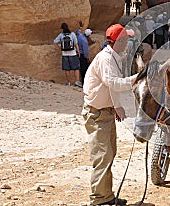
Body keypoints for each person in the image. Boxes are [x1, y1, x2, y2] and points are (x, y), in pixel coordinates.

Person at [82, 24, 136, 205]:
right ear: (119, 41)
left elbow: (110, 87)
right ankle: (99, 200)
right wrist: (137, 78)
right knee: (103, 156)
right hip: (97, 114)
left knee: (108, 154)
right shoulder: (106, 59)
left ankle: (106, 197)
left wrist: (117, 106)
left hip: (105, 112)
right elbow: (113, 83)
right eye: (126, 39)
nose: (128, 42)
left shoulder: (114, 58)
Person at [53, 23, 82, 87]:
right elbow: (76, 44)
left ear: (62, 29)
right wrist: (78, 52)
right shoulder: (72, 34)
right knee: (76, 68)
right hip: (73, 53)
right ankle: (77, 81)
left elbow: (54, 42)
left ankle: (68, 82)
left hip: (65, 54)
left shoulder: (61, 35)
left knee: (67, 69)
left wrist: (60, 49)